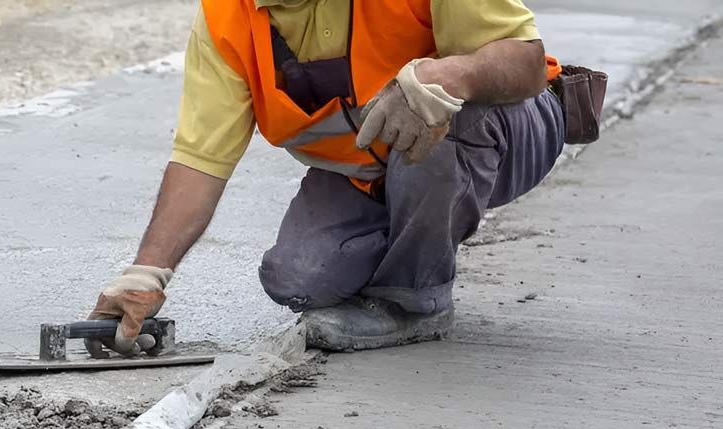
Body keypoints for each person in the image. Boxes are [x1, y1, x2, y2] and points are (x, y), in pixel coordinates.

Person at [84, 0, 565, 358]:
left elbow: (524, 60)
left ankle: (415, 299)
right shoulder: (228, 19)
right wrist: (147, 273)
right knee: (297, 279)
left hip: (505, 128)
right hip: (371, 172)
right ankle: (403, 241)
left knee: (438, 108)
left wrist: (449, 75)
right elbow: (199, 161)